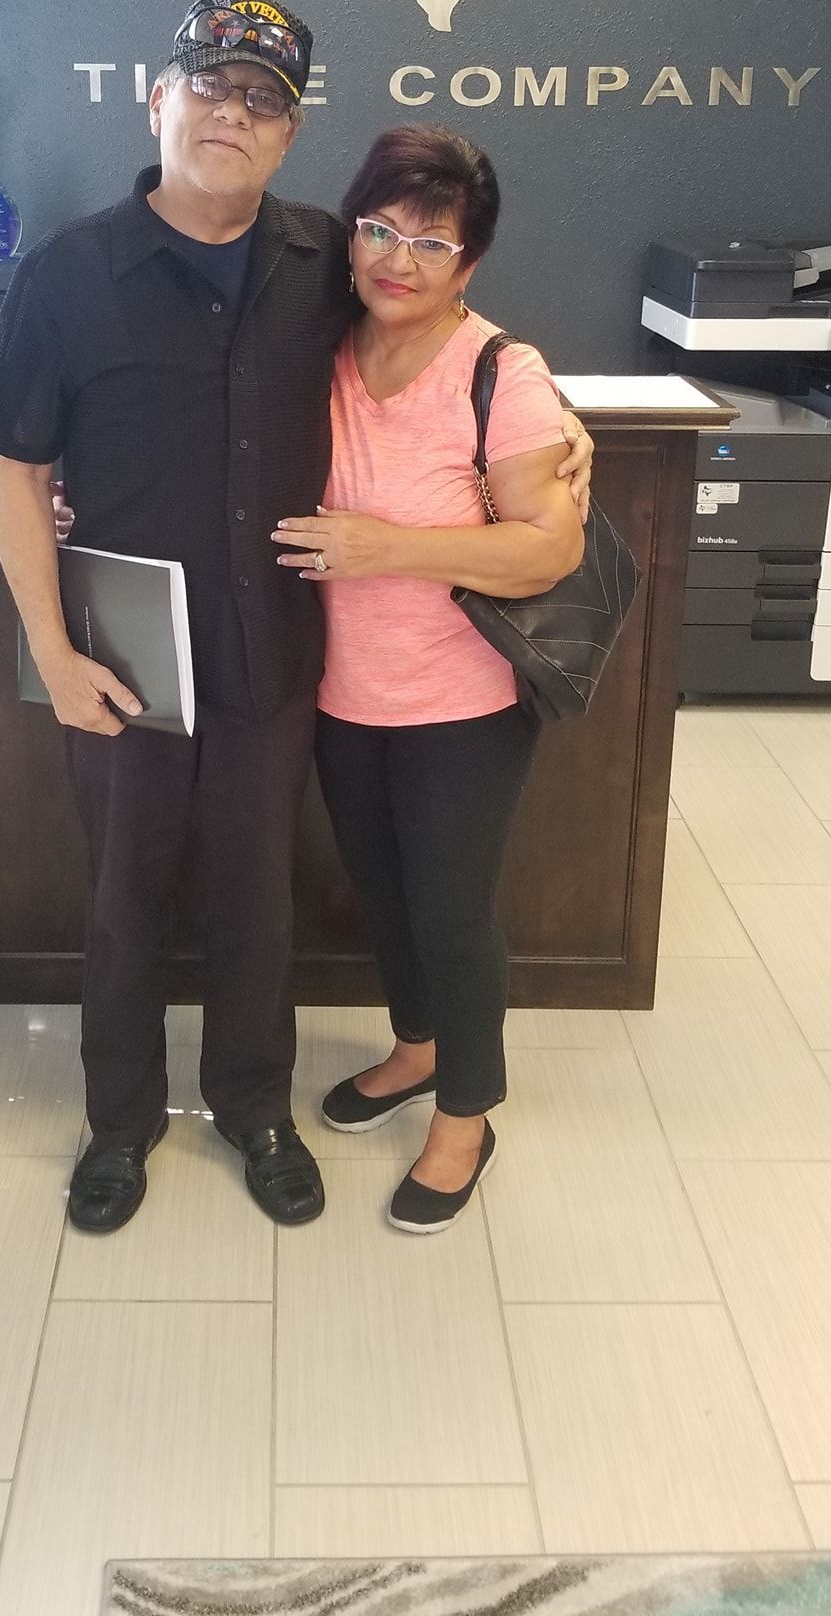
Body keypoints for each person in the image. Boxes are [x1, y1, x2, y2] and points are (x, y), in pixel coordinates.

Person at [0, 0, 592, 1236]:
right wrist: (50, 645)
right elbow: (15, 472)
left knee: (259, 898)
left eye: (263, 99)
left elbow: (441, 335)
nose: (233, 112)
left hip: (276, 651)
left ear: (291, 133)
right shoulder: (68, 273)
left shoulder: (328, 260)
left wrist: (558, 422)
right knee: (123, 900)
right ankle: (119, 1120)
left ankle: (256, 1107)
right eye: (210, 84)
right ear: (158, 97)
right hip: (124, 655)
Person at [272, 126, 584, 1234]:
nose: (398, 260)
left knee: (452, 914)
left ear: (469, 264)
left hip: (462, 701)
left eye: (431, 243)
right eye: (380, 230)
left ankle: (467, 1113)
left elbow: (549, 547)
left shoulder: (500, 371)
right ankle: (417, 1047)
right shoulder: (323, 341)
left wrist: (385, 548)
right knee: (384, 894)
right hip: (342, 692)